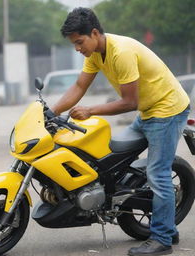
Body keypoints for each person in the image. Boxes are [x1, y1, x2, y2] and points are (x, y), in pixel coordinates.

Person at [51, 7, 190, 256]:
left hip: (167, 110)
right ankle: (165, 225)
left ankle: (161, 240)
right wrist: (50, 112)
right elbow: (79, 85)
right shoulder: (94, 53)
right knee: (110, 159)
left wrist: (91, 110)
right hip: (149, 111)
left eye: (79, 42)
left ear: (94, 33)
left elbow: (129, 103)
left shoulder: (121, 52)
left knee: (158, 174)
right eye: (74, 44)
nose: (77, 48)